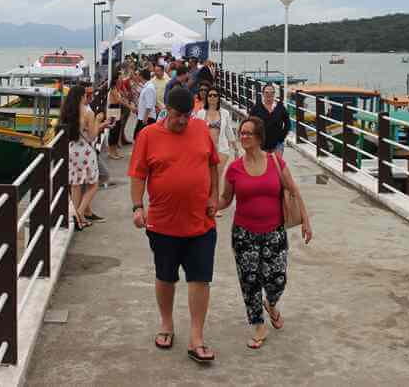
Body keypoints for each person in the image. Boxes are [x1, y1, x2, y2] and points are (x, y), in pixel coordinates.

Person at [129, 87, 220, 363]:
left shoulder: (201, 128)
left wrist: (214, 196)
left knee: (200, 278)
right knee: (166, 277)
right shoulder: (148, 136)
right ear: (167, 109)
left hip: (201, 222)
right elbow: (138, 174)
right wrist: (137, 206)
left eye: (187, 115)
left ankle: (196, 337)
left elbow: (212, 165)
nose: (183, 120)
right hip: (163, 224)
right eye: (179, 115)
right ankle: (166, 324)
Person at [218, 116, 312, 349]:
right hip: (244, 234)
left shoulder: (276, 162)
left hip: (275, 233)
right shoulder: (235, 168)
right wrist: (209, 207)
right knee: (249, 282)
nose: (243, 136)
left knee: (277, 279)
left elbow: (294, 190)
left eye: (248, 133)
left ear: (259, 137)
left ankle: (271, 303)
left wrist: (306, 221)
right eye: (241, 133)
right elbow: (226, 199)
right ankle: (258, 324)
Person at [62, 84, 111, 230]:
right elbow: (92, 135)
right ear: (81, 96)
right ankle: (80, 213)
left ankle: (79, 218)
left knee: (76, 185)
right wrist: (98, 120)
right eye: (85, 95)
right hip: (85, 151)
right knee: (93, 184)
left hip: (71, 150)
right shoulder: (87, 113)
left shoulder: (67, 112)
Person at [194, 88, 236, 216]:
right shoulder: (201, 113)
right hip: (205, 149)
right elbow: (195, 131)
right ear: (207, 98)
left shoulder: (225, 113)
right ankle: (205, 202)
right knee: (207, 177)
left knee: (217, 177)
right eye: (210, 95)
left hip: (221, 149)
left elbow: (229, 131)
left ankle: (215, 205)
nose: (212, 97)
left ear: (218, 98)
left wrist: (235, 147)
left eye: (215, 95)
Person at [249, 83, 291, 155]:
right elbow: (250, 124)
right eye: (267, 92)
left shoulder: (280, 107)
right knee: (263, 165)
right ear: (263, 94)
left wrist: (282, 137)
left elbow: (288, 123)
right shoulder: (256, 108)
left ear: (274, 94)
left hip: (277, 144)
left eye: (272, 92)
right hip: (261, 144)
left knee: (276, 165)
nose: (269, 94)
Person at [134, 67, 157, 138]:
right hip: (143, 116)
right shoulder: (147, 86)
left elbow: (149, 105)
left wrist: (145, 118)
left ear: (141, 76)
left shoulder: (149, 88)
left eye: (137, 75)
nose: (136, 77)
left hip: (147, 118)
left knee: (140, 138)